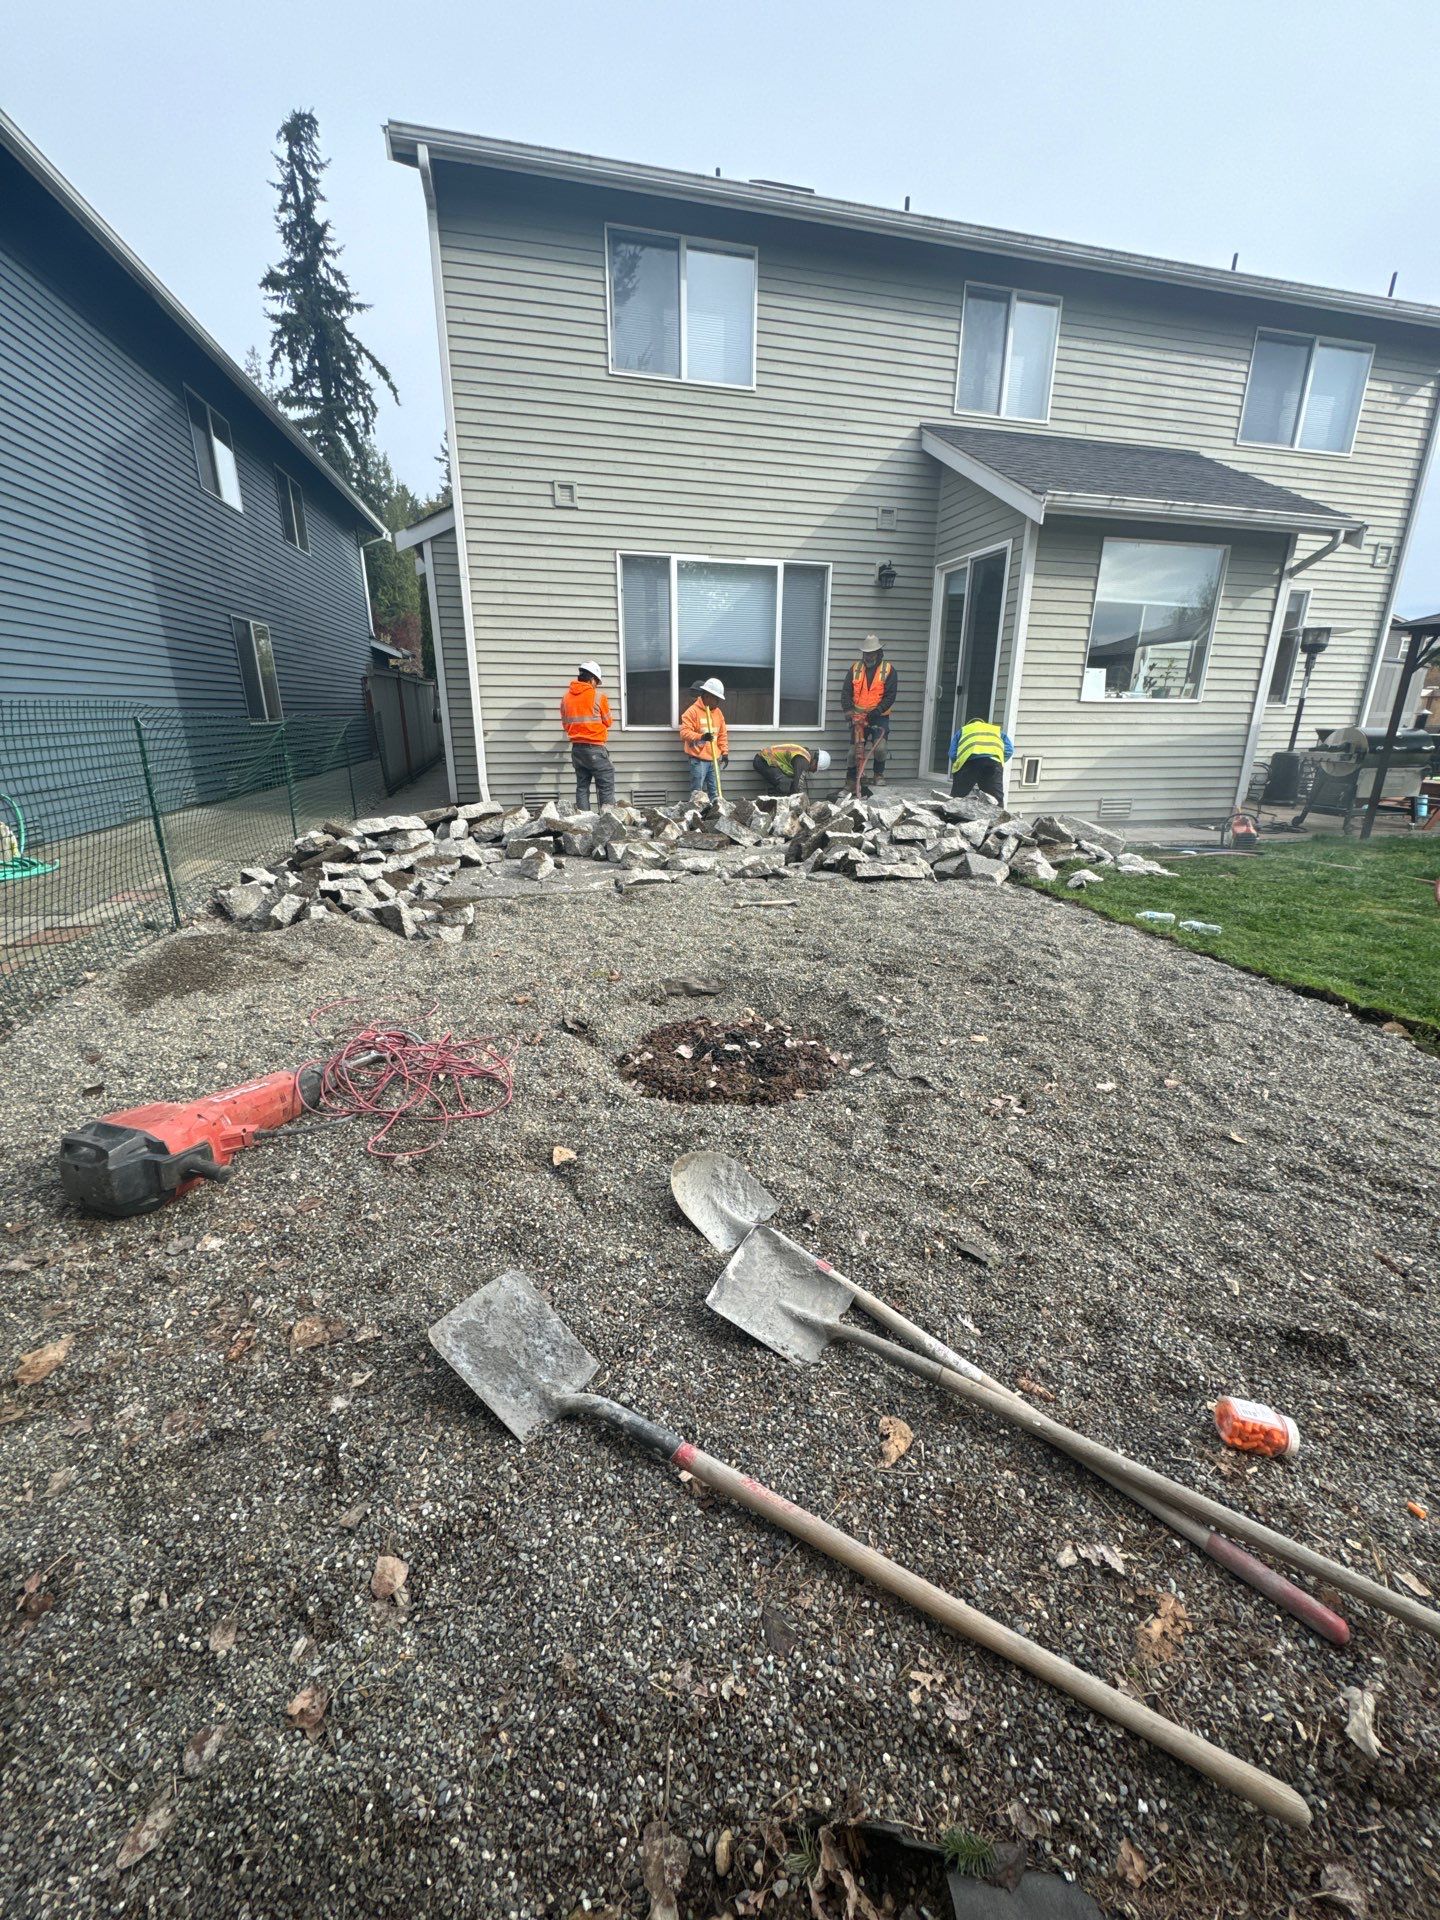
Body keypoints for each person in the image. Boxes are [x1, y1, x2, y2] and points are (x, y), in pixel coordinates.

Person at [841, 635, 897, 794]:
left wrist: (877, 711)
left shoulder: (888, 670)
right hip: (858, 717)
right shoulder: (855, 669)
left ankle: (878, 774)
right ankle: (851, 781)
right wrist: (849, 712)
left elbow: (890, 696)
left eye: (871, 653)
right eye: (866, 653)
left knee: (880, 749)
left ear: (879, 653)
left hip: (879, 716)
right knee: (853, 752)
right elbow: (846, 693)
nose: (868, 656)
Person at [559, 659, 614, 810]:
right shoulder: (598, 697)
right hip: (595, 748)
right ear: (591, 679)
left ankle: (584, 821)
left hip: (577, 749)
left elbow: (565, 724)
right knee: (605, 784)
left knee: (582, 786)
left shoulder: (566, 698)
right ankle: (608, 822)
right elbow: (608, 722)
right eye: (597, 681)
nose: (596, 685)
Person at [679, 678, 728, 800]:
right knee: (697, 793)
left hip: (714, 759)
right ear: (707, 696)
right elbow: (684, 733)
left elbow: (722, 734)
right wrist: (701, 737)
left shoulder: (718, 713)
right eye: (716, 698)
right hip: (698, 759)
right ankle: (697, 816)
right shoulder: (692, 712)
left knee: (715, 792)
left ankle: (716, 815)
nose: (718, 702)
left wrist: (725, 752)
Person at [948, 714, 1013, 803]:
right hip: (993, 764)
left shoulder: (963, 730)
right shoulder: (995, 730)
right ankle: (998, 816)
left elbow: (952, 754)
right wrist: (998, 760)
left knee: (957, 798)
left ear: (969, 725)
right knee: (995, 800)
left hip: (970, 763)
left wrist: (959, 766)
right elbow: (1009, 750)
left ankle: (951, 815)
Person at [752, 743, 832, 795]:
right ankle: (773, 809)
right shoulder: (803, 761)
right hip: (762, 761)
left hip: (766, 761)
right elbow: (797, 787)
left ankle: (771, 798)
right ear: (815, 762)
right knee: (785, 783)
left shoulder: (804, 756)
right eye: (815, 769)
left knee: (788, 783)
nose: (813, 772)